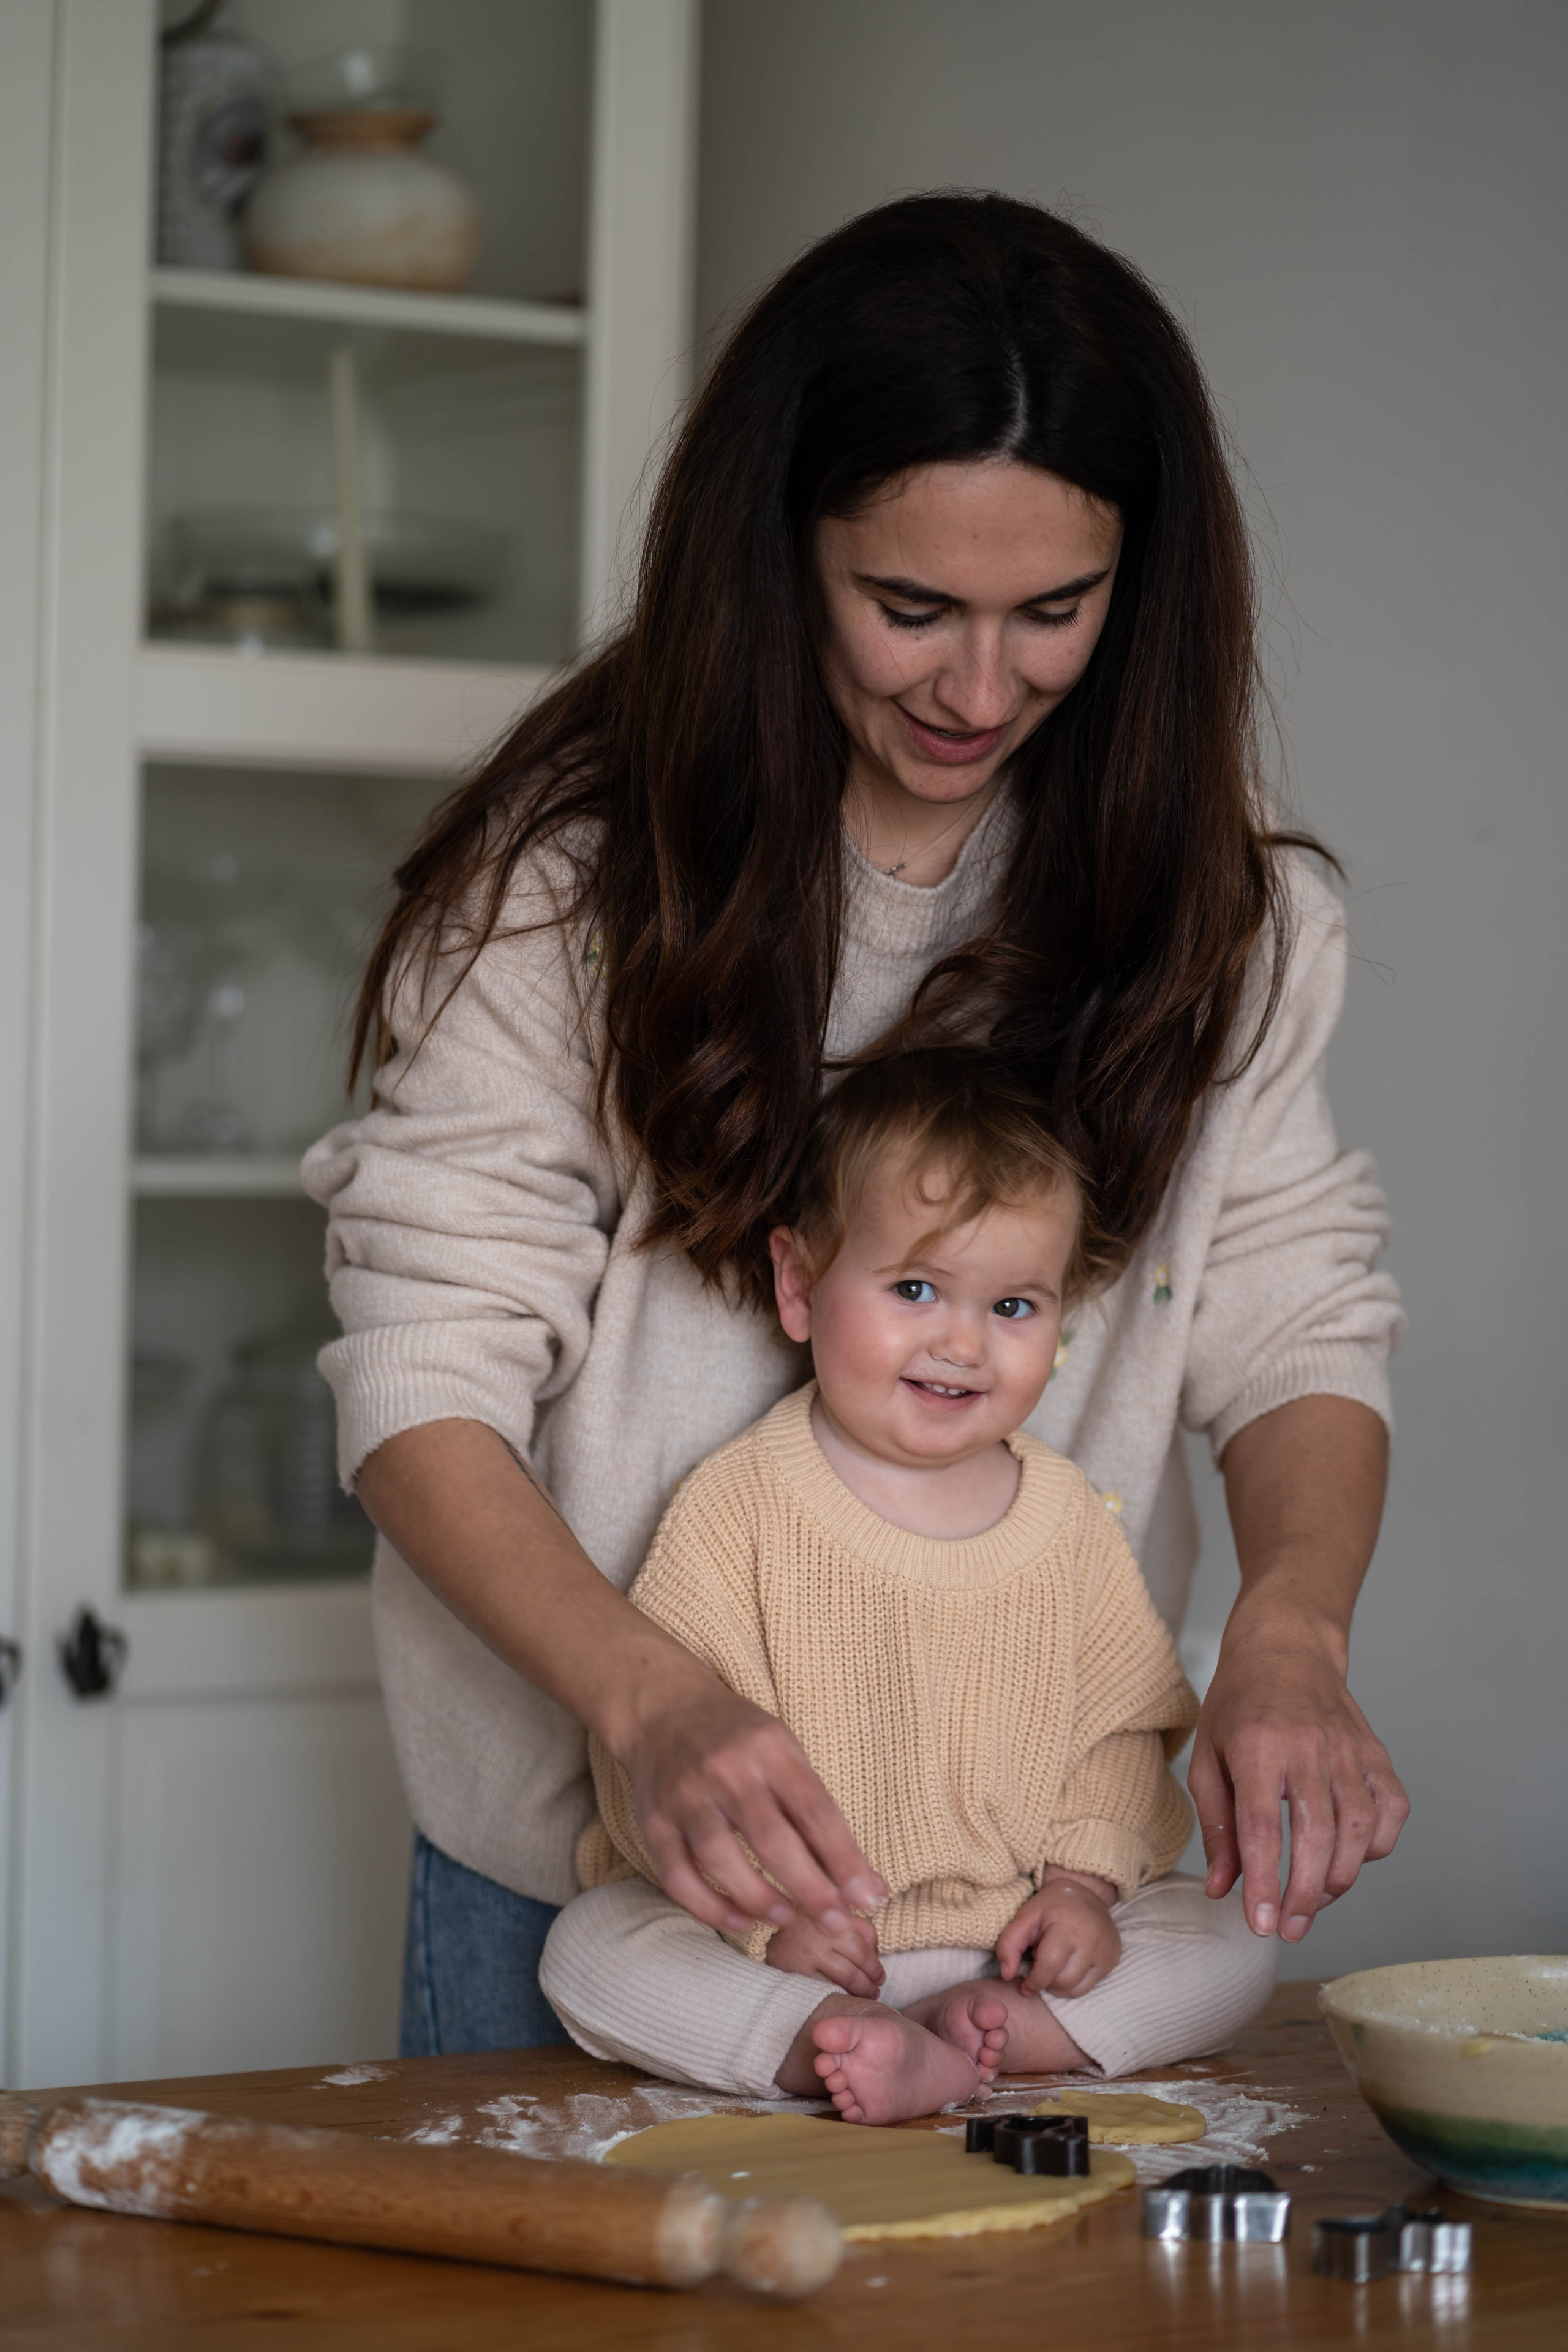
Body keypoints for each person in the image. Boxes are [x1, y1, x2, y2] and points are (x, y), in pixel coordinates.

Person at [304, 192, 1407, 2059]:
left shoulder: (1228, 921)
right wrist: (646, 1711)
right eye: (911, 609)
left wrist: (1294, 1629)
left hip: (1016, 1906)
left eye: (1054, 613)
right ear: (775, 556)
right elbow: (423, 1367)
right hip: (592, 1866)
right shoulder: (570, 888)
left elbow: (1296, 1313)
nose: (981, 692)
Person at [539, 1055, 1276, 2121]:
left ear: (1061, 1325)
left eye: (1014, 1305)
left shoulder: (1068, 1518)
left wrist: (1083, 1888)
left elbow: (1122, 1732)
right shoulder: (737, 1505)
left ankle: (1011, 2037)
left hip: (1013, 1938)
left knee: (1233, 1939)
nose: (962, 1342)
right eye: (915, 1289)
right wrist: (768, 1926)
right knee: (592, 1950)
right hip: (806, 1953)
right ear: (799, 1286)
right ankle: (829, 2045)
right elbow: (647, 1755)